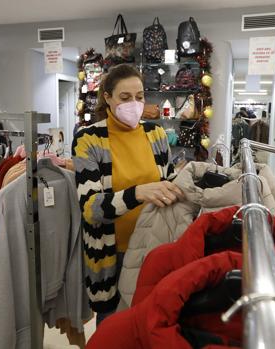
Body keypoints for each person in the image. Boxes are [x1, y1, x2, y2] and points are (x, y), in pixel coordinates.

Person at [72, 64, 184, 326]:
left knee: (152, 325)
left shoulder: (155, 134)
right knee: (113, 328)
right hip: (112, 254)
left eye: (140, 96)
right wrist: (139, 193)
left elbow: (167, 183)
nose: (134, 104)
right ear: (107, 97)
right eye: (124, 98)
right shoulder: (89, 139)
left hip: (153, 248)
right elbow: (91, 208)